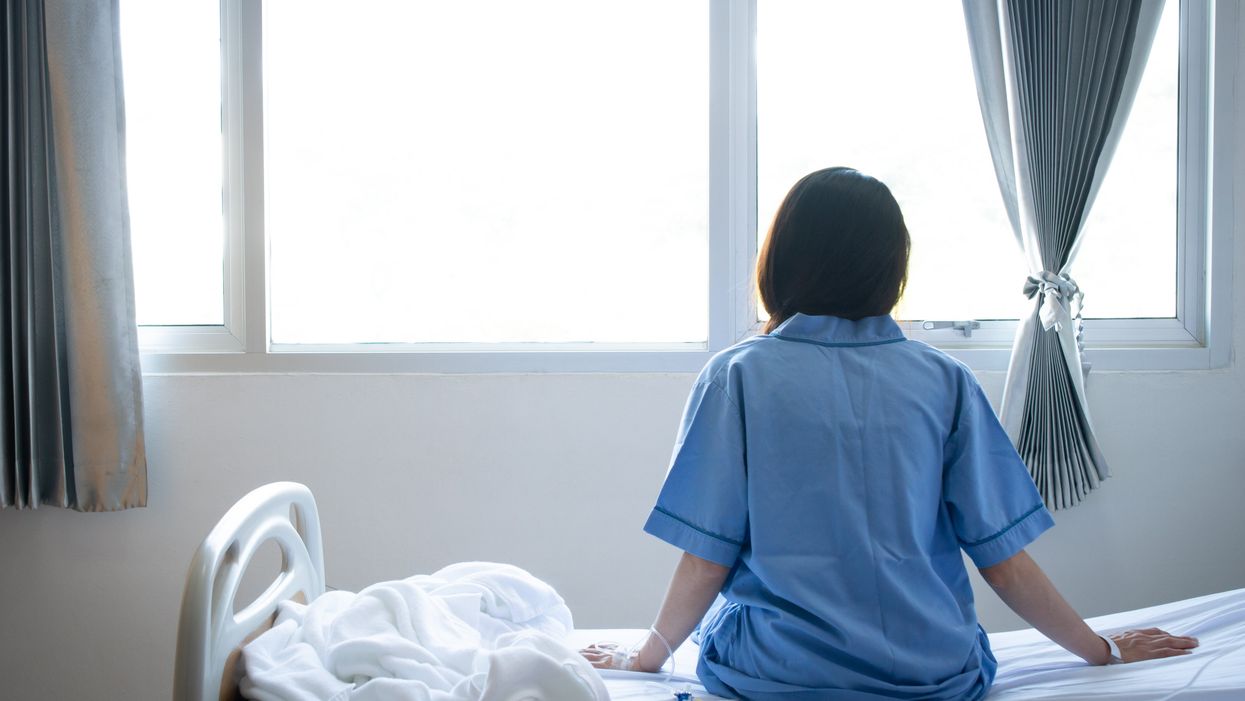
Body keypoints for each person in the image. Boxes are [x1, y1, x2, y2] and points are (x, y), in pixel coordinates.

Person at [581, 167, 1197, 699]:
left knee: (735, 619)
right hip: (935, 677)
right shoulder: (945, 380)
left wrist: (645, 657)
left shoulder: (738, 376)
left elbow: (706, 558)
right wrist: (1101, 650)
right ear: (891, 267)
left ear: (782, 261)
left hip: (775, 674)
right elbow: (1003, 564)